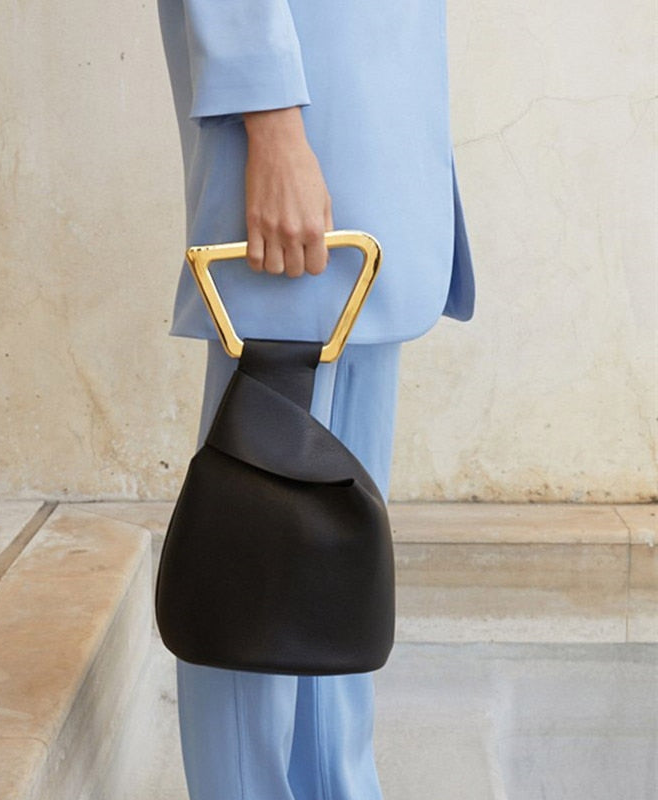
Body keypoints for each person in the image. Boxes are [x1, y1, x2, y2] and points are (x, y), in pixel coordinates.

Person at [155, 1, 475, 797]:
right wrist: (273, 125)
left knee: (331, 577)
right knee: (256, 558)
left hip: (369, 158)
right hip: (305, 154)